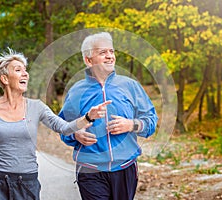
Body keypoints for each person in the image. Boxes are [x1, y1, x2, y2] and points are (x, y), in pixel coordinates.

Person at [0, 48, 111, 200]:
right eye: (18, 70)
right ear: (5, 79)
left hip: (26, 182)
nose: (25, 73)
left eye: (25, 70)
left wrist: (88, 117)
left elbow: (64, 128)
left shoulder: (37, 107)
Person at [59, 32, 158, 200]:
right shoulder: (76, 91)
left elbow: (151, 121)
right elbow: (62, 127)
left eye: (111, 52)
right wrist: (76, 134)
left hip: (125, 167)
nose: (110, 56)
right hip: (90, 168)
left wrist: (131, 125)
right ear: (88, 60)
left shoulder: (130, 86)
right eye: (102, 52)